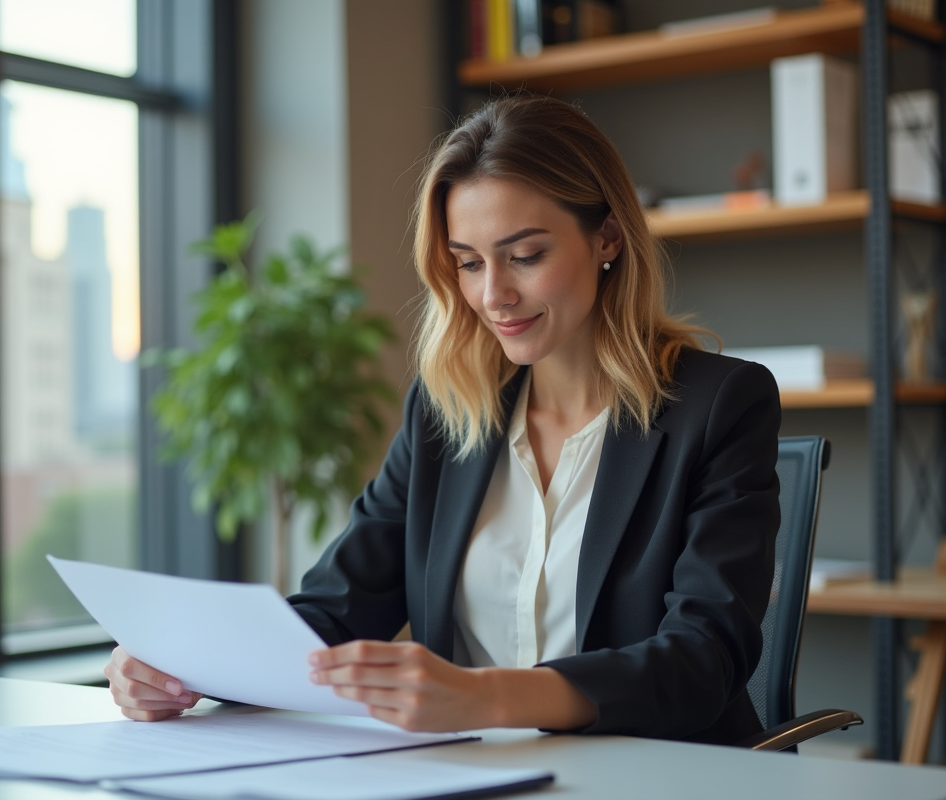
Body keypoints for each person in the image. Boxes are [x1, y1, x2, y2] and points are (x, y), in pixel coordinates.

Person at [105, 94, 781, 745]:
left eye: (525, 256)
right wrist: (183, 664)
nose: (494, 295)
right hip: (469, 775)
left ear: (606, 236)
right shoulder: (446, 414)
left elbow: (703, 658)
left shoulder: (720, 405)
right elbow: (338, 610)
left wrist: (487, 696)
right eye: (467, 263)